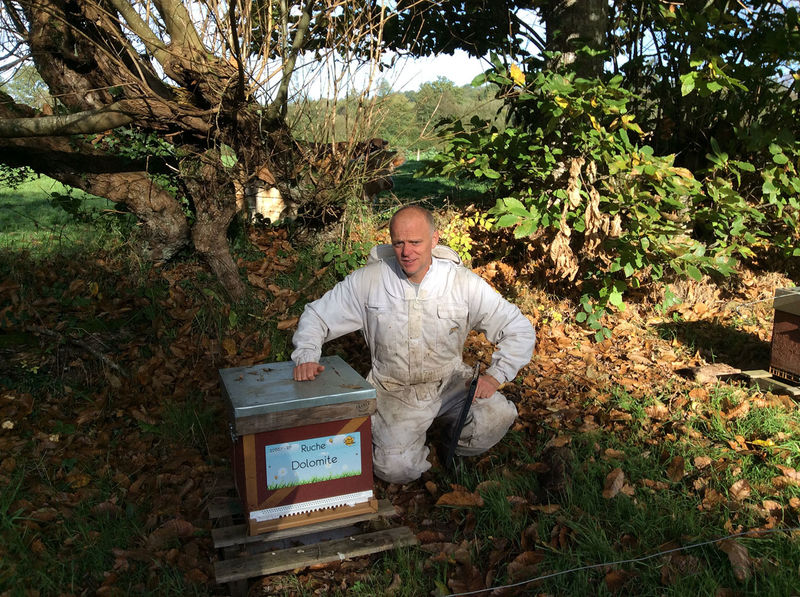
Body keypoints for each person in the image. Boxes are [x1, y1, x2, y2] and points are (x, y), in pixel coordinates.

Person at [292, 206, 536, 484]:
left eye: (416, 242)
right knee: (395, 469)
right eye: (399, 243)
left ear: (434, 240)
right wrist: (307, 355)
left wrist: (495, 376)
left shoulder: (461, 282)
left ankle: (449, 441)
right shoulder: (369, 280)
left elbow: (518, 328)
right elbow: (318, 315)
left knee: (498, 416)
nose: (407, 252)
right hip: (394, 389)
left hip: (451, 382)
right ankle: (415, 449)